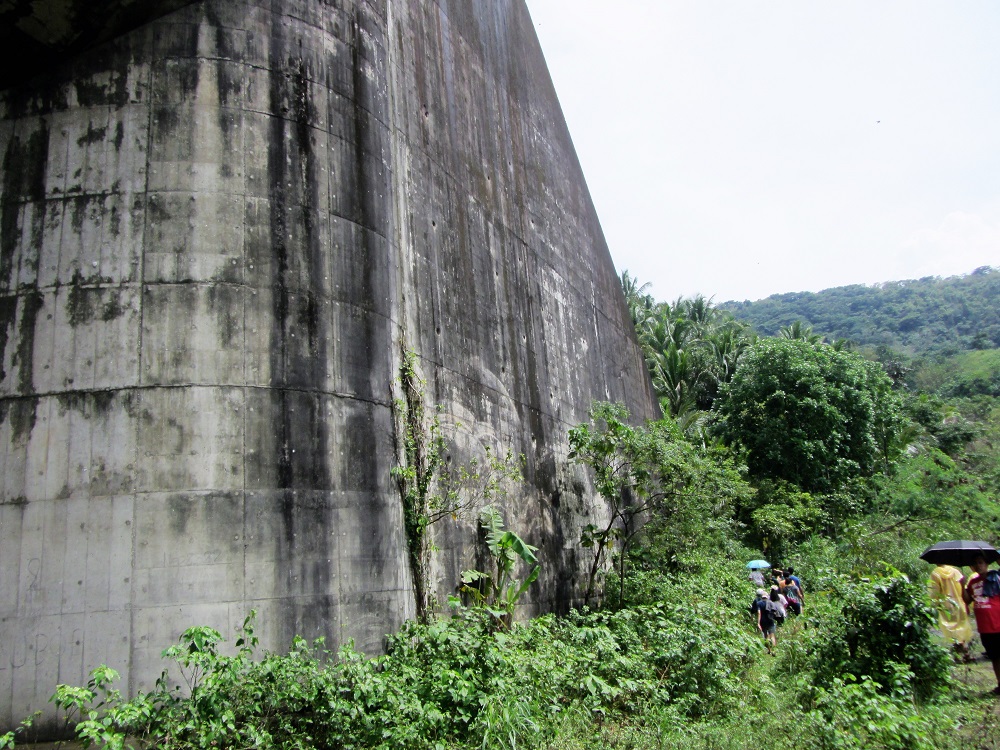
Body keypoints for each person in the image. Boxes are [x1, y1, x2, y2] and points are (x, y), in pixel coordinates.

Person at [964, 554, 1000, 693]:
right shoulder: (973, 583)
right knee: (994, 656)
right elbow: (967, 600)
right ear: (972, 567)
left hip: (998, 623)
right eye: (975, 564)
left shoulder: (996, 578)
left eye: (981, 562)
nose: (978, 566)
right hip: (985, 627)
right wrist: (961, 585)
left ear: (986, 564)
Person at [928, 564, 972, 661]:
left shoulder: (936, 573)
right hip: (958, 603)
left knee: (952, 629)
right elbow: (962, 586)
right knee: (960, 627)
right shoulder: (956, 571)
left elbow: (934, 592)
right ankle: (963, 651)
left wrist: (933, 604)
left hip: (946, 604)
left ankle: (960, 652)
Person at [752, 588, 779, 653]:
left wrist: (758, 623)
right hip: (770, 620)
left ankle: (769, 650)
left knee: (766, 636)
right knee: (772, 636)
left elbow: (759, 613)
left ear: (762, 597)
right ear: (767, 597)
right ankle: (774, 651)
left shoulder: (759, 603)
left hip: (763, 621)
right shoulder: (771, 603)